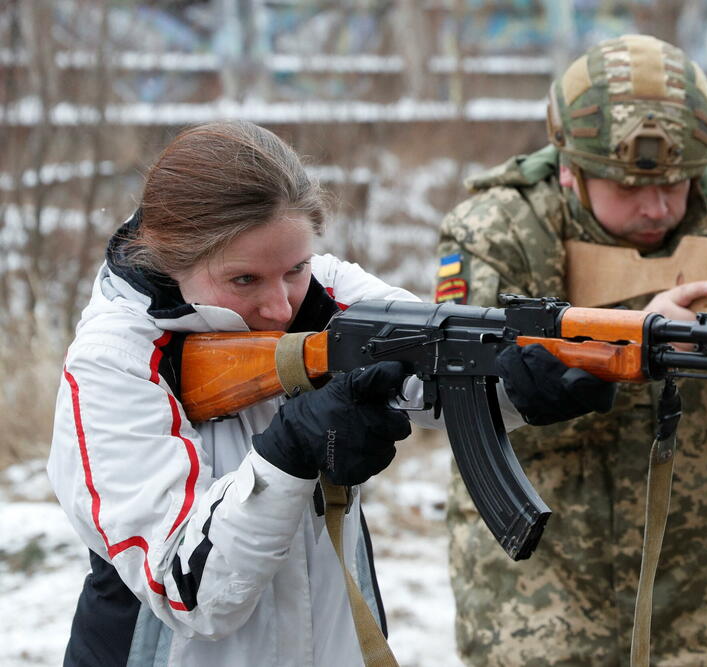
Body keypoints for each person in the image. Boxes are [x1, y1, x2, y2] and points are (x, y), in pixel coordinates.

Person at [47, 120, 614, 666]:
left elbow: (433, 365)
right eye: (245, 279)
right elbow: (189, 593)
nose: (280, 306)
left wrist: (517, 385)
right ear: (172, 258)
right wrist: (289, 453)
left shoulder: (328, 293)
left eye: (295, 268)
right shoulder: (114, 360)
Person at [435, 35, 707, 665]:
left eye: (677, 184)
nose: (658, 206)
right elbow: (467, 389)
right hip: (538, 595)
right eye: (629, 187)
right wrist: (630, 342)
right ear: (570, 169)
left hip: (705, 597)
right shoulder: (499, 229)